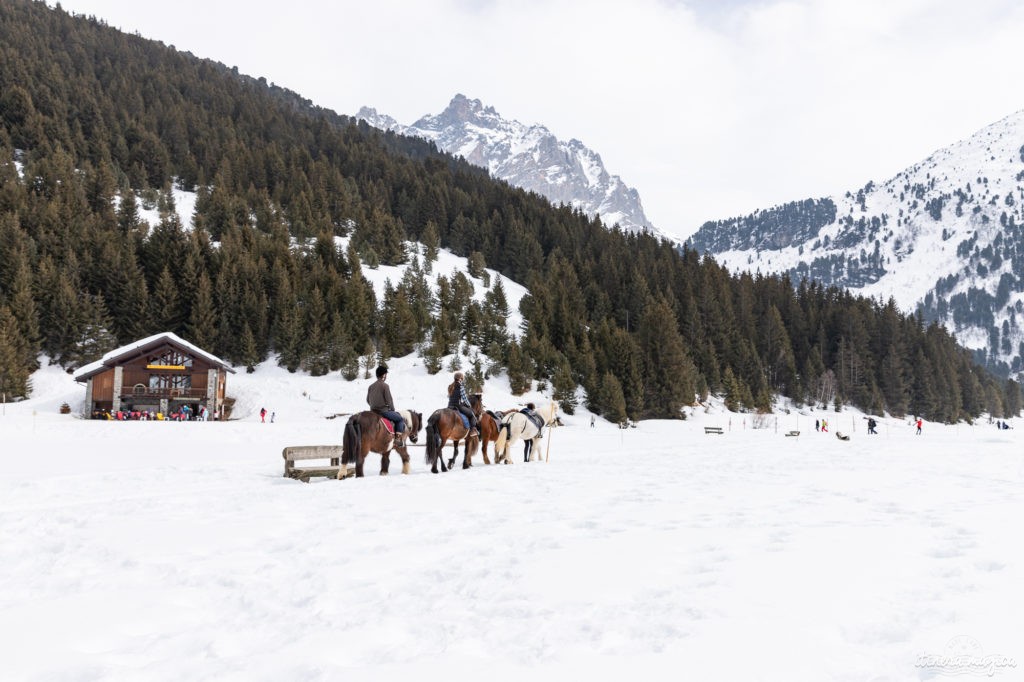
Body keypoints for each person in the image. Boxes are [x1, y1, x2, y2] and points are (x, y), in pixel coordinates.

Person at [367, 364, 405, 437]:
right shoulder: (385, 386)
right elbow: (389, 401)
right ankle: (397, 438)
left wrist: (374, 406)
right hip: (383, 412)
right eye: (386, 374)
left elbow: (368, 400)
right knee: (400, 419)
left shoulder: (371, 386)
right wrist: (392, 409)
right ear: (384, 375)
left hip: (372, 412)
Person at [447, 371, 479, 437]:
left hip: (449, 406)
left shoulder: (450, 386)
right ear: (460, 379)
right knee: (472, 415)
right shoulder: (461, 387)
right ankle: (472, 430)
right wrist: (469, 405)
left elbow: (449, 396)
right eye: (462, 379)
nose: (462, 380)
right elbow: (464, 398)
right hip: (457, 406)